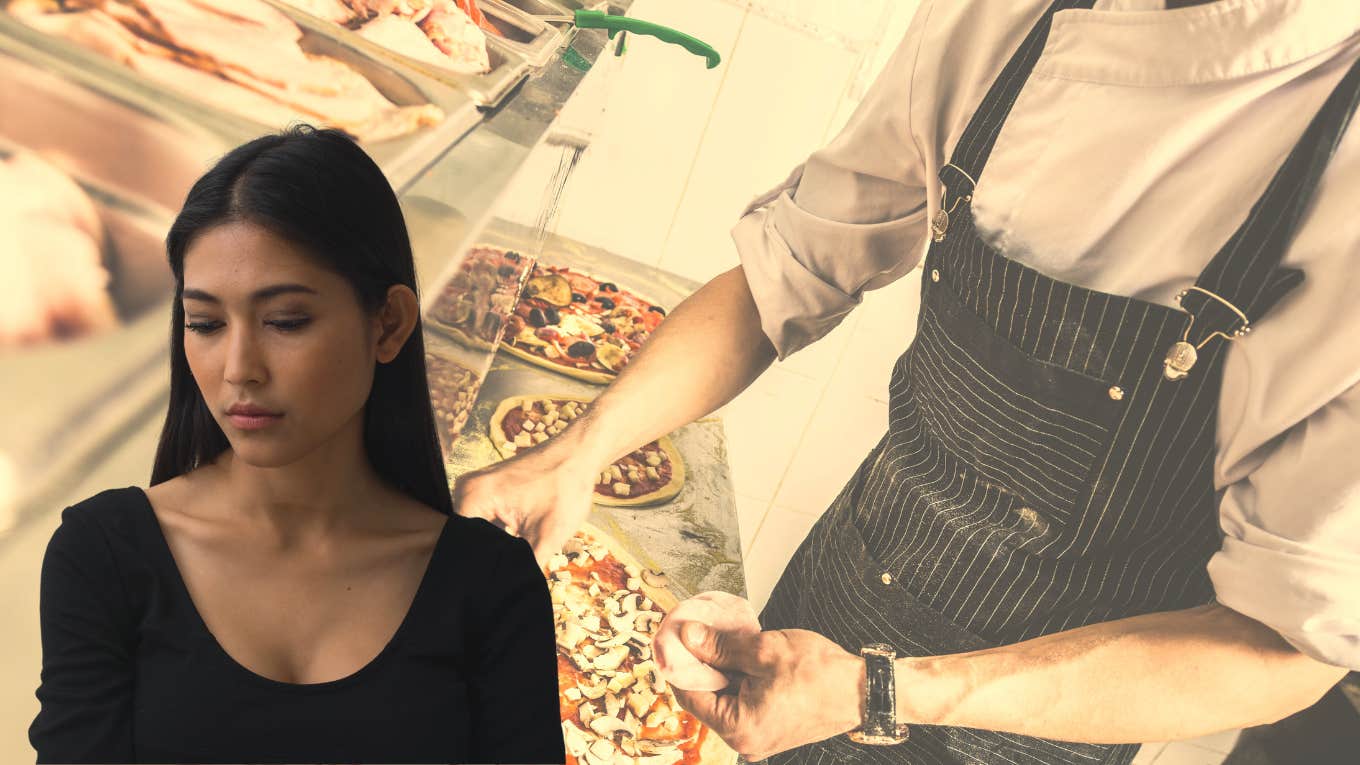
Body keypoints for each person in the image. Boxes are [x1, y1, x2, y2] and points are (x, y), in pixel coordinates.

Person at [454, 1, 1360, 763]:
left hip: (1033, 726)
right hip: (827, 608)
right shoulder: (1005, 16)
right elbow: (794, 269)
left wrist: (879, 688)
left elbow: (1283, 645)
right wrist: (579, 453)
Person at [29, 125, 565, 764]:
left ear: (387, 324)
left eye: (285, 321)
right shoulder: (103, 555)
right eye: (204, 323)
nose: (238, 368)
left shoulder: (491, 586)